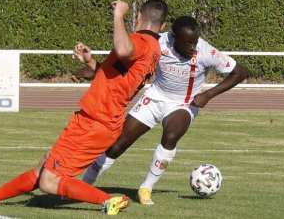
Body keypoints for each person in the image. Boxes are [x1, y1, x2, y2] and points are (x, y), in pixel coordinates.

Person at [0, 0, 169, 215]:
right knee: (45, 164)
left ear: (138, 17)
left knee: (49, 181)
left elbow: (123, 48)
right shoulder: (154, 50)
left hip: (95, 121)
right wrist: (90, 62)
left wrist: (118, 15)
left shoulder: (141, 41)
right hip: (103, 120)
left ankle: (109, 200)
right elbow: (118, 78)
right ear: (162, 26)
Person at [80, 15, 249, 205]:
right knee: (118, 144)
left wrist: (208, 95)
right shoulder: (158, 43)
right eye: (187, 43)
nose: (192, 47)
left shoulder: (206, 51)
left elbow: (240, 72)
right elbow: (127, 63)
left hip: (184, 104)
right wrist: (98, 69)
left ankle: (146, 188)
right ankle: (83, 186)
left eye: (194, 42)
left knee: (171, 135)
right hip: (155, 97)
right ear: (173, 37)